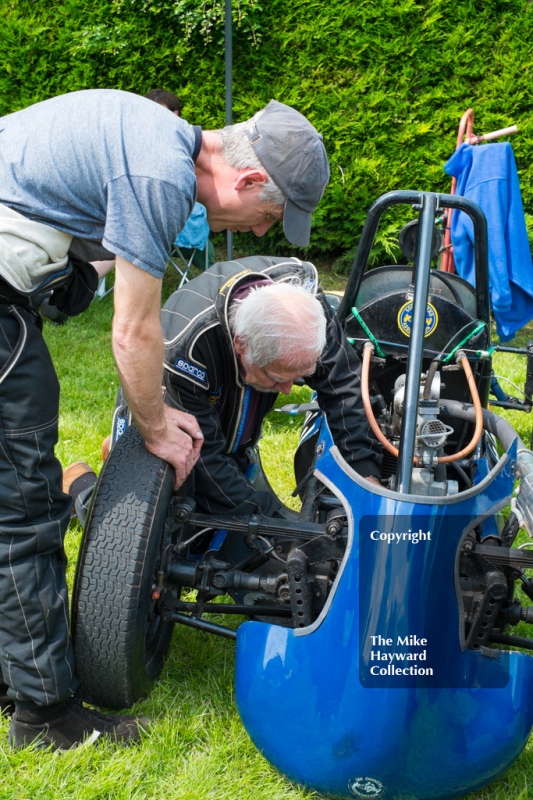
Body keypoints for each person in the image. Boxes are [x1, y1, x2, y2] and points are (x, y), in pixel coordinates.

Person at [0, 89, 329, 750]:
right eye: (269, 215)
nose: (260, 233)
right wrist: (154, 427)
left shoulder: (151, 134)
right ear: (249, 178)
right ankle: (44, 717)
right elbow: (133, 332)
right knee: (27, 503)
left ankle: (16, 673)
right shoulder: (162, 173)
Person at [69, 256, 382, 522]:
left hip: (228, 390)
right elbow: (205, 462)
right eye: (277, 379)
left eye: (297, 378)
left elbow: (344, 387)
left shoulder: (305, 312)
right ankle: (79, 484)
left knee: (237, 474)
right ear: (240, 345)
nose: (288, 391)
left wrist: (364, 473)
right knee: (141, 518)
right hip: (167, 397)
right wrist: (276, 523)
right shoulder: (183, 350)